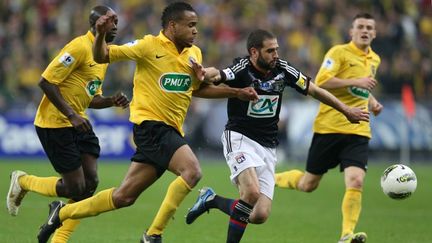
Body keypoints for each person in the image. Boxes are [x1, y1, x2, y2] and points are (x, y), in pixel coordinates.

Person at [36, 2, 258, 243]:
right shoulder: (147, 46)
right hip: (151, 127)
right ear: (172, 26)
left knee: (123, 197)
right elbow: (101, 55)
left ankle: (62, 212)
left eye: (196, 26)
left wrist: (235, 93)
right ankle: (153, 235)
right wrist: (100, 34)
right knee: (192, 171)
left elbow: (197, 89)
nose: (195, 30)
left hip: (170, 130)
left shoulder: (194, 54)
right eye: (190, 25)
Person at [185, 29, 370, 243]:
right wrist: (204, 72)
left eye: (277, 50)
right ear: (254, 52)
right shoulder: (242, 67)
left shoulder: (283, 69)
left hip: (267, 145)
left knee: (259, 214)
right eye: (270, 51)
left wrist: (346, 110)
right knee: (251, 193)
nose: (276, 55)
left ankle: (212, 200)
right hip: (239, 138)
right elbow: (218, 74)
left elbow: (315, 90)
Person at [6, 5, 129, 243]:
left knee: (90, 184)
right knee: (75, 188)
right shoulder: (78, 46)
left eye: (117, 21)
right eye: (110, 20)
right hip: (54, 123)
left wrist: (111, 101)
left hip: (78, 120)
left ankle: (59, 238)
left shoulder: (104, 54)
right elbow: (46, 82)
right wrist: (72, 115)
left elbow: (90, 97)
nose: (115, 25)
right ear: (96, 24)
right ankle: (22, 181)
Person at [274, 13, 383, 243]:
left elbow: (363, 88)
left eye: (369, 27)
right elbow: (321, 82)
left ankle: (346, 234)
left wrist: (372, 102)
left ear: (374, 33)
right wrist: (356, 82)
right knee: (308, 184)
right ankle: (270, 178)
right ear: (351, 31)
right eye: (360, 26)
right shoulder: (338, 53)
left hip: (358, 129)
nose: (365, 30)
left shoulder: (374, 59)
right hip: (329, 128)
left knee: (356, 181)